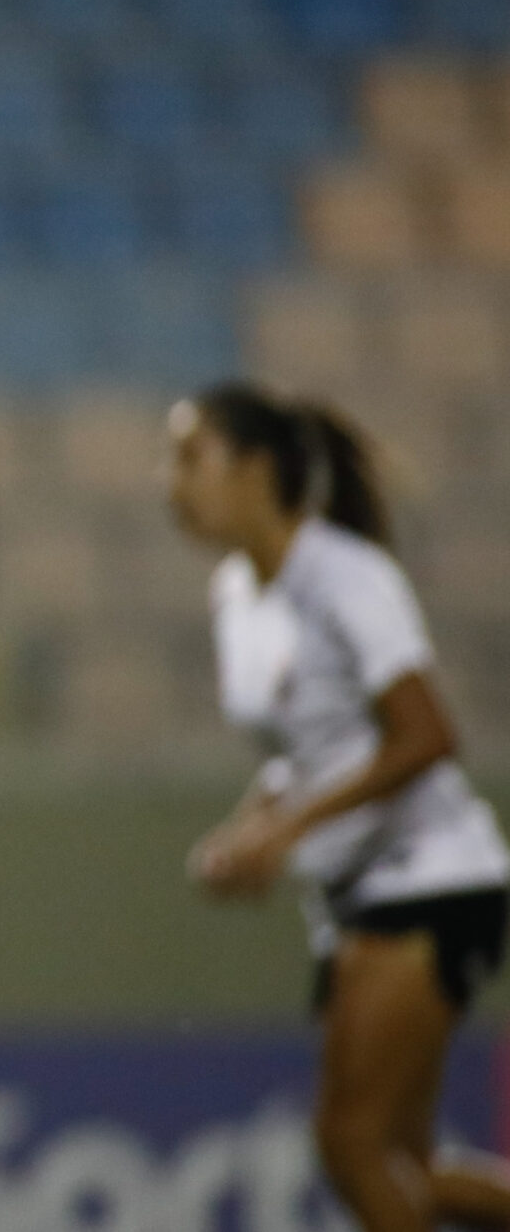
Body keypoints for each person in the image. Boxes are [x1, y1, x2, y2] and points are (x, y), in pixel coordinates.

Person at [171, 383, 510, 1232]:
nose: (169, 483)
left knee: (352, 1148)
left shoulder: (345, 577)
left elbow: (426, 735)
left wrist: (288, 830)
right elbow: (309, 751)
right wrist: (251, 830)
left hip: (427, 877)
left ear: (255, 471)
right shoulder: (235, 595)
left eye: (190, 458)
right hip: (355, 894)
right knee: (403, 1161)